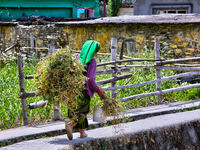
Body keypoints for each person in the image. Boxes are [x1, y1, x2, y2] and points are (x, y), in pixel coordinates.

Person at [65, 40, 105, 140]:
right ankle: (71, 125)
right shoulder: (92, 62)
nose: (96, 54)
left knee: (76, 109)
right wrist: (98, 91)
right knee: (83, 110)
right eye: (96, 51)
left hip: (73, 88)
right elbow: (90, 79)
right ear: (94, 51)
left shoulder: (76, 57)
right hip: (84, 90)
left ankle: (82, 132)